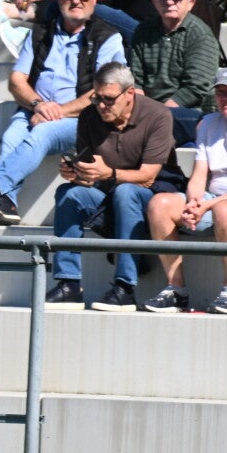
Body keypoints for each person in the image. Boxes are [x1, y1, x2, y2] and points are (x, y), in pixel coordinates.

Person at [0, 0, 125, 226]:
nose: (76, 0)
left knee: (42, 133)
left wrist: (57, 112)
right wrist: (39, 105)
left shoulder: (107, 38)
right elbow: (17, 80)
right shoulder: (41, 32)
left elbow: (103, 92)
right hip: (37, 110)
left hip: (84, 120)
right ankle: (7, 204)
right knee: (13, 135)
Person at [142, 65, 227, 315]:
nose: (225, 98)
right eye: (220, 92)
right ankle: (176, 290)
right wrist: (193, 203)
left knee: (224, 210)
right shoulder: (208, 122)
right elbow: (199, 175)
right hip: (212, 201)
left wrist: (206, 205)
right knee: (159, 204)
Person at [43, 63, 177, 312]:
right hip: (109, 194)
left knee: (126, 192)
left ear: (130, 94)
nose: (102, 105)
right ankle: (69, 284)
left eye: (109, 99)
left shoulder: (158, 115)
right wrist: (75, 173)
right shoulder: (89, 116)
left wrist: (110, 174)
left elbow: (148, 177)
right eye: (97, 98)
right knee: (69, 194)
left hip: (153, 200)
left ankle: (125, 288)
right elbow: (90, 176)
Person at [127, 0, 221, 144]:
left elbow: (195, 88)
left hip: (189, 112)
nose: (169, 1)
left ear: (190, 2)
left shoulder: (200, 35)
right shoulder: (143, 31)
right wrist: (143, 111)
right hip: (148, 112)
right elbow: (136, 79)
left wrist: (155, 116)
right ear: (154, 0)